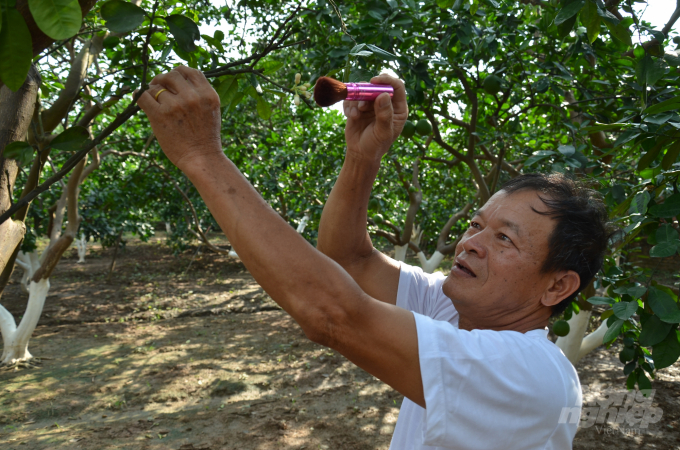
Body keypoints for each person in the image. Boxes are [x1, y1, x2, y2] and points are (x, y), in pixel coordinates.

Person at [138, 66, 612, 450]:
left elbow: (332, 312)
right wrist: (362, 157)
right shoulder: (454, 309)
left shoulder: (532, 376)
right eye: (475, 225)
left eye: (504, 239)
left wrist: (203, 156)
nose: (469, 243)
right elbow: (349, 261)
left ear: (557, 286)